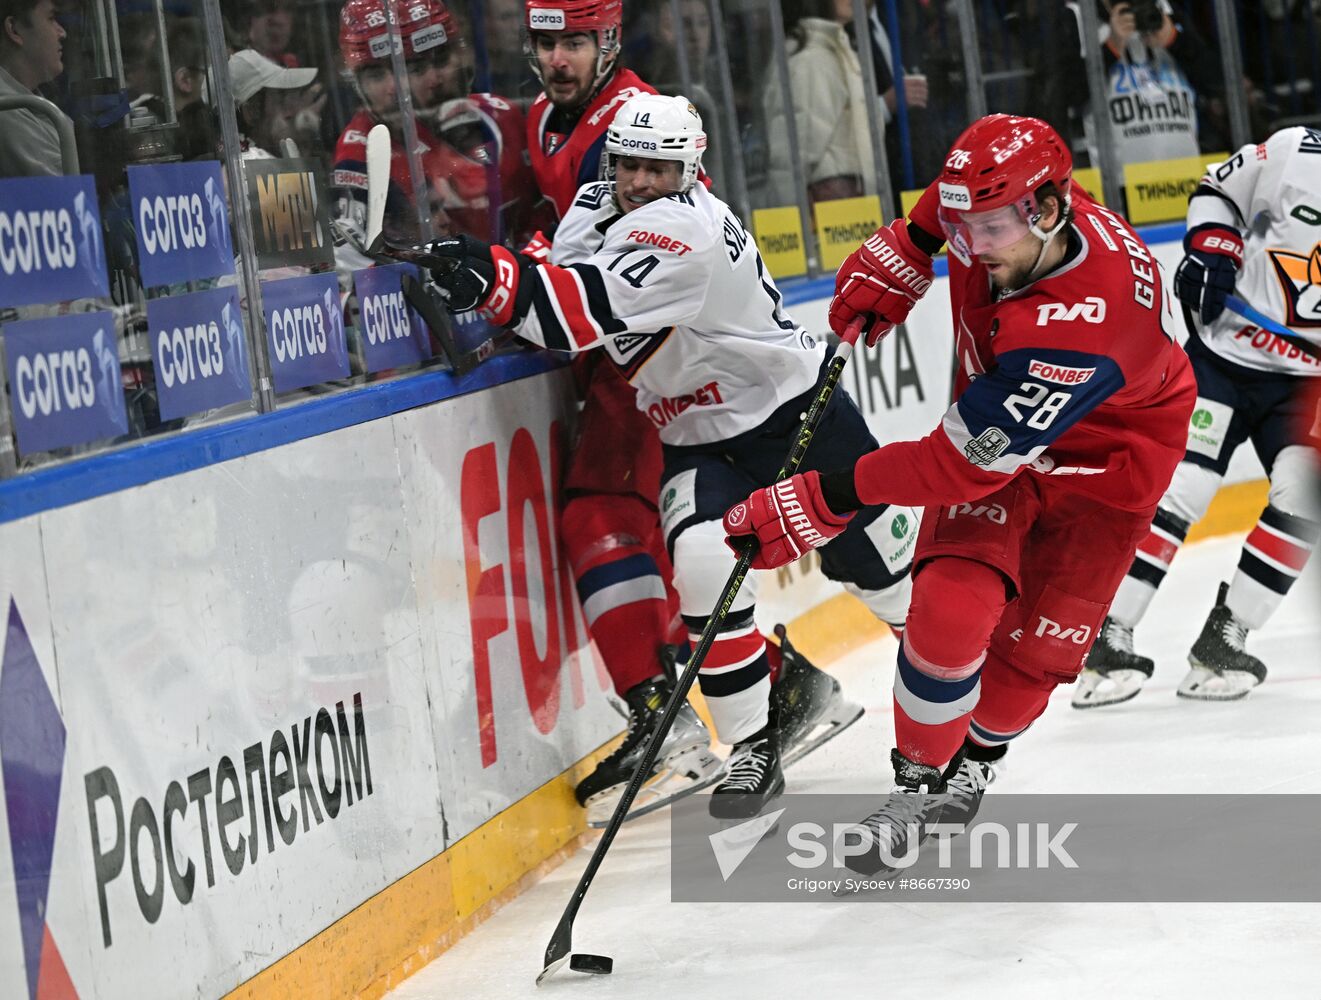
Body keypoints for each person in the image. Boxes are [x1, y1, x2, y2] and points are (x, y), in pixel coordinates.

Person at [421, 93, 916, 821]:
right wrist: (498, 268)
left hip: (794, 418)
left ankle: (965, 698)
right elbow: (559, 272)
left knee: (893, 589)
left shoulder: (684, 231)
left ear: (690, 170)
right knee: (703, 569)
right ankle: (752, 748)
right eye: (629, 165)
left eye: (658, 168)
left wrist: (492, 280)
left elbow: (570, 315)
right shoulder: (603, 199)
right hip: (694, 436)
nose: (640, 181)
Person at [725, 114, 1197, 859]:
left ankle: (975, 763)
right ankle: (913, 785)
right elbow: (947, 207)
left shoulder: (1084, 326)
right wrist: (910, 245)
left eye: (983, 232)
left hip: (1108, 471)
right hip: (999, 437)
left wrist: (825, 496)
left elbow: (958, 464)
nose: (968, 250)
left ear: (1043, 211)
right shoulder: (1010, 215)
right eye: (959, 228)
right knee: (948, 605)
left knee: (1028, 666)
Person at [522, 0, 879, 822]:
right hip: (653, 379)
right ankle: (767, 705)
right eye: (544, 41)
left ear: (608, 38)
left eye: (573, 39)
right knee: (692, 559)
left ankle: (670, 711)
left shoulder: (641, 127)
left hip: (668, 363)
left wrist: (506, 283)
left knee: (611, 517)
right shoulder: (554, 122)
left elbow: (621, 281)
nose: (558, 57)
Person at [1077, 126, 1321, 708]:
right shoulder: (1298, 151)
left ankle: (1225, 638)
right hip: (1226, 358)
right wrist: (1214, 247)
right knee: (1180, 487)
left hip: (1309, 388)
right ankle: (1107, 634)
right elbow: (1220, 189)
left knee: (1303, 501)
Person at [333, 0, 532, 247]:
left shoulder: (503, 115)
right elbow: (366, 269)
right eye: (375, 75)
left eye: (438, 61)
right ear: (356, 83)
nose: (395, 88)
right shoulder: (361, 153)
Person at [764, 0, 880, 209]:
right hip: (828, 214)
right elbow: (793, 158)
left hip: (847, 210)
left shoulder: (833, 50)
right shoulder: (812, 60)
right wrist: (795, 227)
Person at [0, 0, 70, 176]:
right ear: (14, 30)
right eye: (51, 18)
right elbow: (66, 194)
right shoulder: (6, 111)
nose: (62, 32)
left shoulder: (34, 105)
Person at [228, 48, 318, 160]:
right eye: (281, 97)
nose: (296, 111)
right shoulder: (233, 170)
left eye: (297, 95)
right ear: (251, 111)